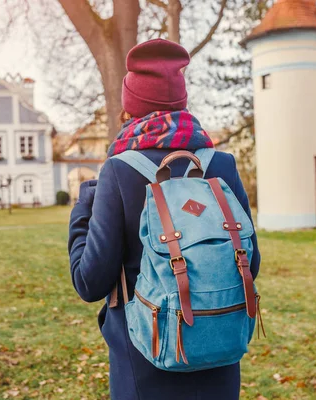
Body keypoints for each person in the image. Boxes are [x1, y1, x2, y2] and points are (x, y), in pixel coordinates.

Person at [68, 38, 260, 400]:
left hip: (145, 361)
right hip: (219, 352)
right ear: (181, 101)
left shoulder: (119, 171)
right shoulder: (220, 165)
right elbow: (252, 262)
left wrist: (83, 209)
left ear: (130, 108)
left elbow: (89, 282)